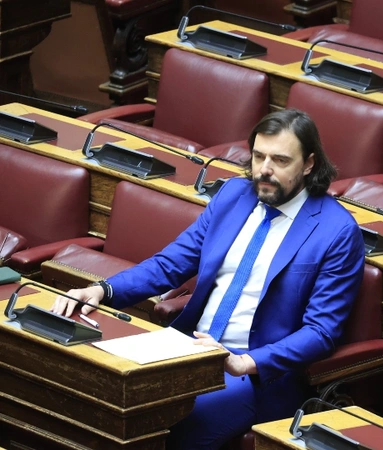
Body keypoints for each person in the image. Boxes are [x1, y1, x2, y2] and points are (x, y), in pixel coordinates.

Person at [51, 108, 365, 449]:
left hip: (253, 375)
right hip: (188, 348)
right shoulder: (233, 196)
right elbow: (170, 264)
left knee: (160, 419)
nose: (264, 169)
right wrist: (103, 290)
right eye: (258, 156)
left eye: (280, 160)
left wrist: (245, 362)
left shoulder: (336, 231)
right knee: (96, 387)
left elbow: (321, 332)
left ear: (308, 164)